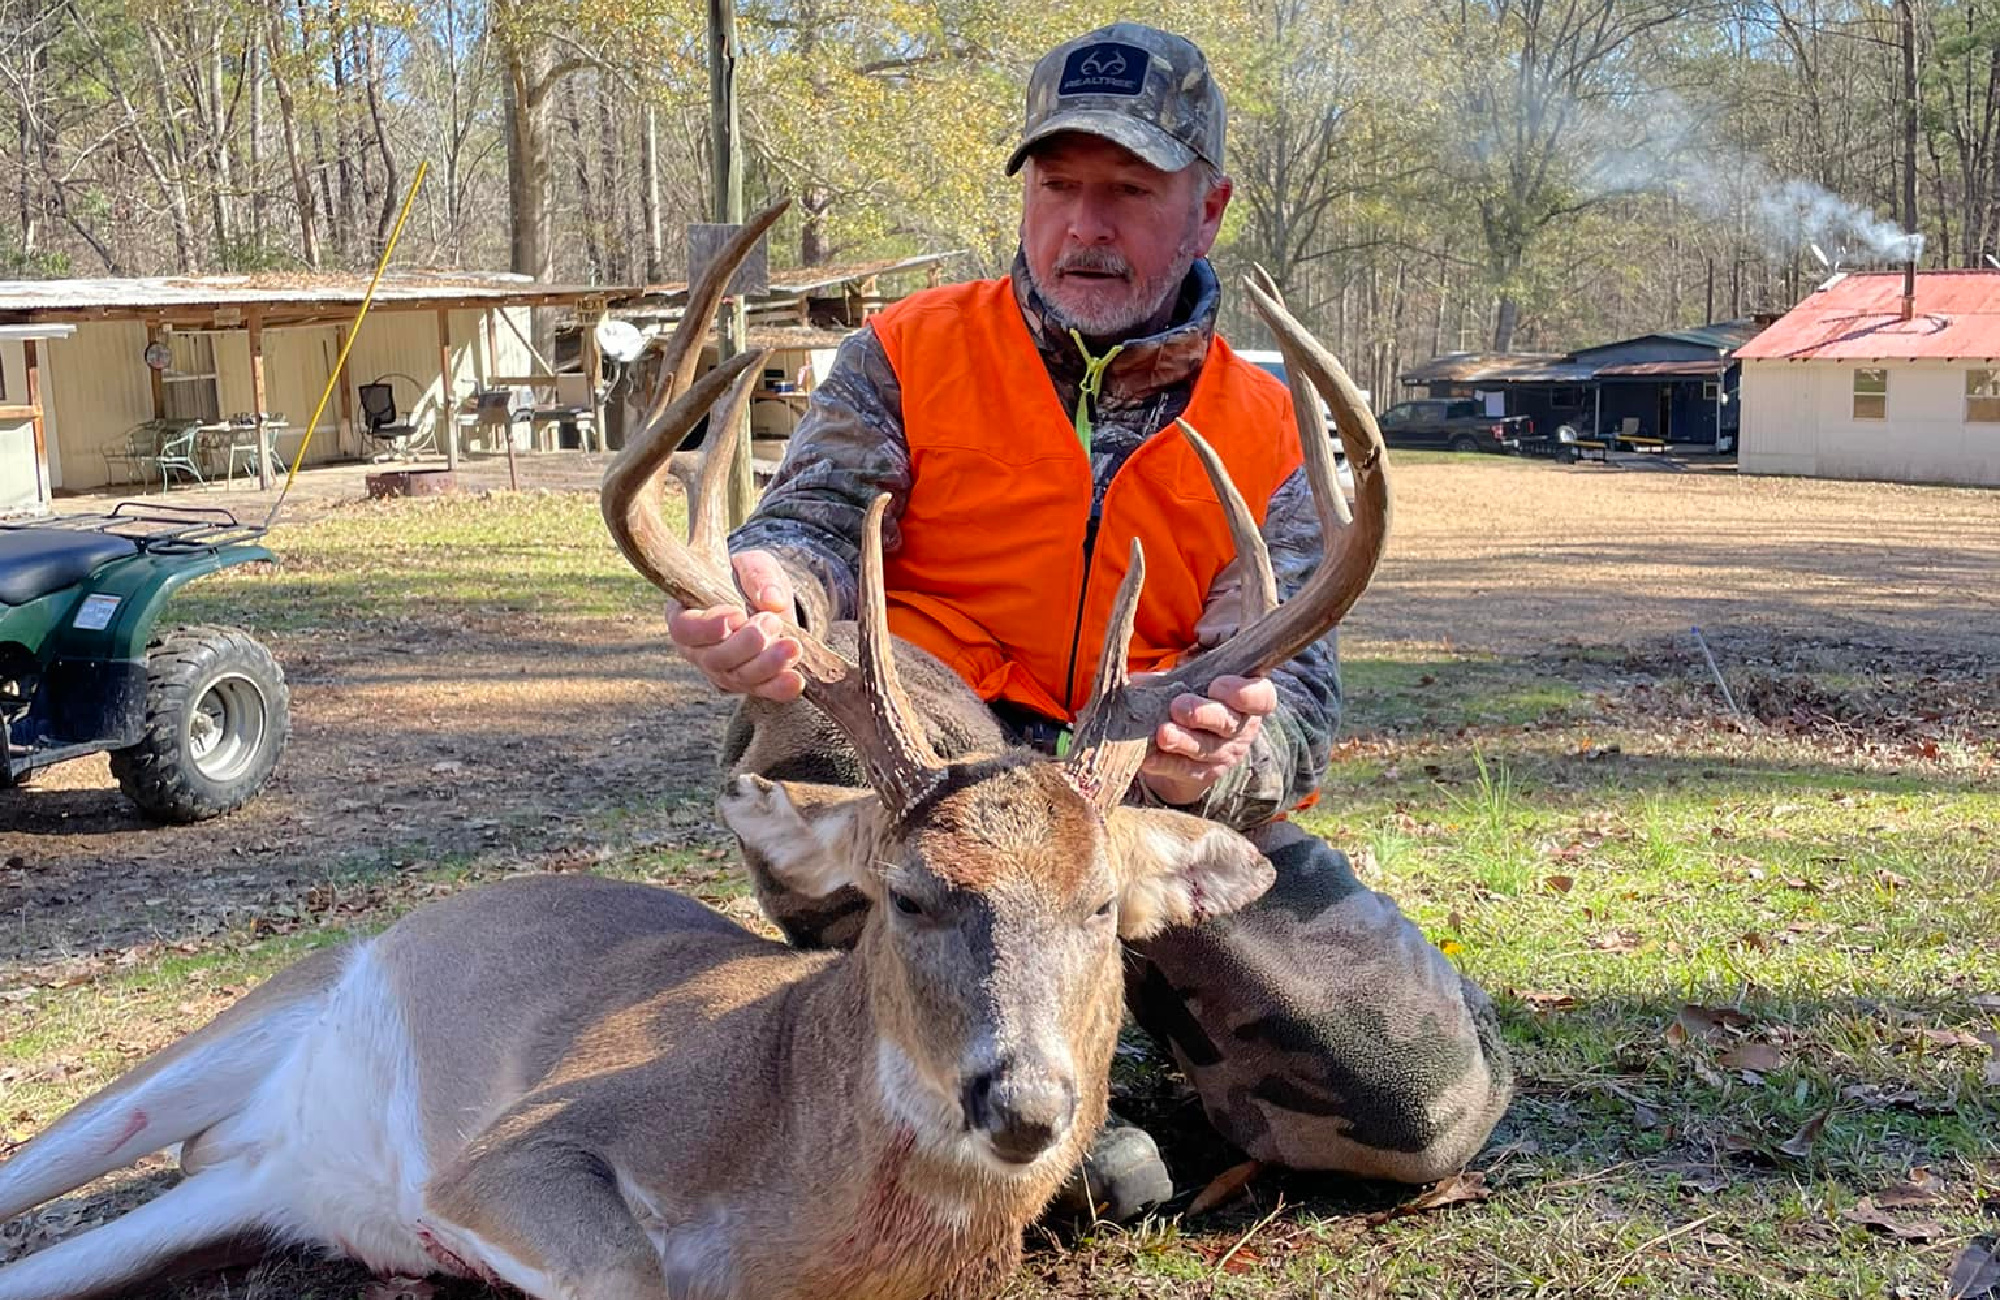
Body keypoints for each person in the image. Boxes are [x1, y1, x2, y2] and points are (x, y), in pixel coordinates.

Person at [666, 21, 1512, 1216]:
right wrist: (774, 595)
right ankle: (971, 1076)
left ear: (1206, 208)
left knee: (1404, 1110)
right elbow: (809, 526)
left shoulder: (1267, 428)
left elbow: (1299, 707)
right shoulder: (905, 354)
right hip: (942, 783)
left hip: (1135, 811)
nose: (1084, 225)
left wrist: (1225, 756)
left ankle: (1120, 1028)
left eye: (1128, 189)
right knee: (813, 716)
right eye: (1058, 185)